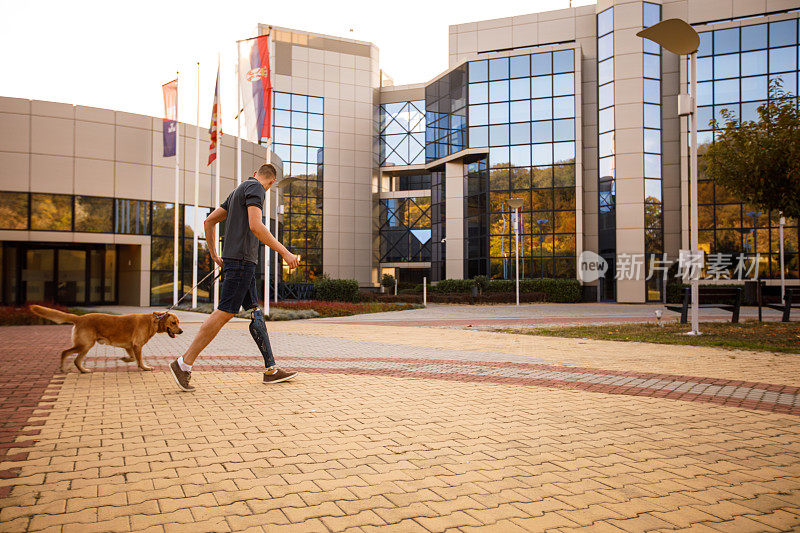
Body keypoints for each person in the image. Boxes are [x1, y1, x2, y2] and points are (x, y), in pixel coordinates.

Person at [169, 163, 300, 392]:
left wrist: (214, 254)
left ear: (255, 173)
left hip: (240, 261)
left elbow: (209, 221)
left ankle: (271, 369)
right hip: (241, 261)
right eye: (269, 186)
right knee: (224, 312)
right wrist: (285, 253)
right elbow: (256, 225)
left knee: (255, 312)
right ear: (270, 182)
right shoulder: (257, 188)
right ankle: (184, 363)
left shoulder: (238, 191)